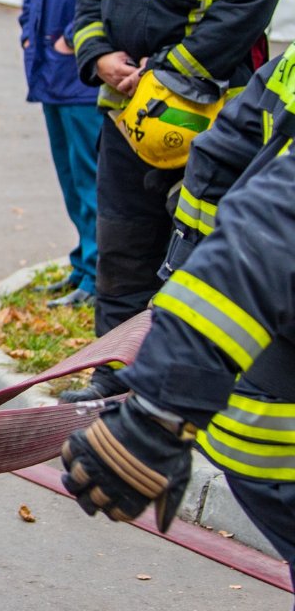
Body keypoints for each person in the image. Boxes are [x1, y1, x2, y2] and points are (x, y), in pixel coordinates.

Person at [64, 0, 289, 401]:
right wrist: (100, 57)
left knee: (197, 260)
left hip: (212, 126)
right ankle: (113, 376)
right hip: (125, 116)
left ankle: (180, 388)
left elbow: (245, 11)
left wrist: (164, 79)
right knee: (122, 249)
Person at [60, 41, 295, 591]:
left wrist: (169, 320)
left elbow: (223, 165)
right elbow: (272, 232)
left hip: (259, 416)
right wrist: (159, 405)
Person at [17, 0, 129, 310]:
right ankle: (83, 263)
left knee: (93, 177)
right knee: (69, 174)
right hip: (49, 70)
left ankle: (99, 276)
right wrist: (27, 32)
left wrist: (73, 40)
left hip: (82, 70)